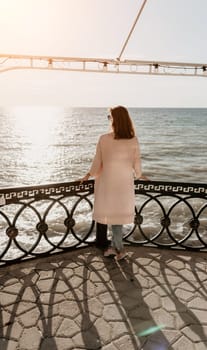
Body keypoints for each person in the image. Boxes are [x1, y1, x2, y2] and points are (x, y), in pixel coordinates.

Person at [80, 106, 148, 261]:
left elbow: (98, 161)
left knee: (111, 214)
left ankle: (119, 249)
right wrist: (140, 175)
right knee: (117, 215)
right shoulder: (133, 140)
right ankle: (115, 247)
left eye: (109, 116)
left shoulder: (104, 139)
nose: (109, 119)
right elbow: (136, 162)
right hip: (124, 182)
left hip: (108, 182)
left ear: (115, 119)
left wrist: (89, 174)